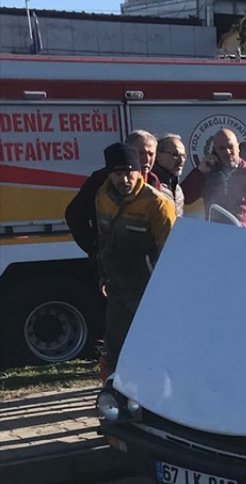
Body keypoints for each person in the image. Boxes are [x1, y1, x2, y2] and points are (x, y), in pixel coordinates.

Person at [94, 142, 177, 377]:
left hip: (148, 291)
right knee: (115, 346)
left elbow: (169, 252)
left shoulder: (157, 204)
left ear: (140, 171)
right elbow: (103, 239)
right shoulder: (103, 196)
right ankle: (114, 397)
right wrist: (103, 274)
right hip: (117, 286)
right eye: (117, 174)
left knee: (154, 347)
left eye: (129, 173)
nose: (124, 180)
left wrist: (165, 292)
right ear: (109, 174)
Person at [65, 131, 164, 257]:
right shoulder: (102, 181)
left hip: (145, 265)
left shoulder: (155, 182)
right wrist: (95, 247)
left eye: (151, 154)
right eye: (141, 153)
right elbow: (74, 214)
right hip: (110, 263)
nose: (146, 159)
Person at [180, 128, 246, 231]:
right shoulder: (207, 173)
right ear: (214, 151)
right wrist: (199, 172)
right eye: (221, 148)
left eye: (230, 146)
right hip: (214, 234)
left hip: (245, 236)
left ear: (238, 147)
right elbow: (185, 198)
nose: (227, 151)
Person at [154, 134, 186, 216]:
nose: (181, 160)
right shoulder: (151, 186)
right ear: (158, 155)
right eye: (175, 154)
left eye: (183, 156)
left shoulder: (178, 190)